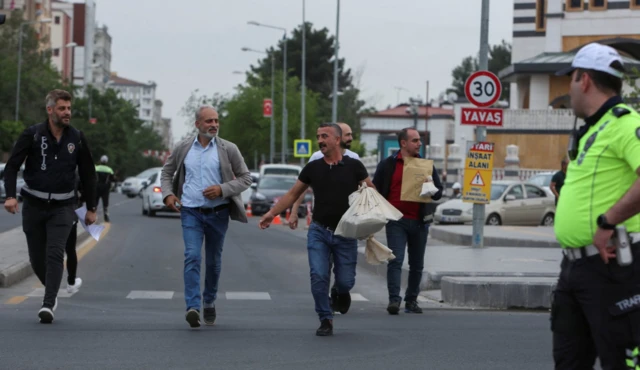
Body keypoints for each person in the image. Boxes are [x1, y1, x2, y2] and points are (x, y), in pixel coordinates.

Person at [551, 43, 640, 369]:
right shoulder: (592, 129)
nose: (569, 88)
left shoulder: (625, 124)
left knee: (623, 362)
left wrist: (607, 222)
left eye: (571, 79)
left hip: (613, 267)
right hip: (575, 269)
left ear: (584, 80)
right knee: (569, 362)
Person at [258, 123, 375, 337]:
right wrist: (271, 213)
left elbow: (371, 192)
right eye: (318, 136)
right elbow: (293, 194)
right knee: (318, 275)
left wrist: (372, 218)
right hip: (319, 231)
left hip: (346, 233)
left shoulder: (354, 166)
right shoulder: (313, 168)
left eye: (325, 136)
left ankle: (341, 292)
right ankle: (325, 318)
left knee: (345, 281)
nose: (320, 140)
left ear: (337, 140)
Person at [3, 89, 97, 324]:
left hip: (63, 206)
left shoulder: (76, 137)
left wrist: (92, 208)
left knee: (55, 253)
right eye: (62, 108)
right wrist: (11, 196)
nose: (67, 113)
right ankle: (52, 289)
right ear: (50, 110)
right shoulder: (33, 134)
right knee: (36, 259)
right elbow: (12, 166)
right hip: (33, 205)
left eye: (69, 108)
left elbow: (88, 174)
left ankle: (48, 302)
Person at [161, 105, 252, 329]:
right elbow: (166, 172)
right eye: (209, 121)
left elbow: (245, 178)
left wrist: (222, 189)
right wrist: (168, 195)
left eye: (216, 121)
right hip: (190, 211)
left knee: (212, 262)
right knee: (192, 256)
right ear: (198, 124)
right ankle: (193, 307)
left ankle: (209, 300)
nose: (214, 125)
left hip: (217, 213)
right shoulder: (184, 148)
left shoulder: (228, 148)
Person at [288, 122, 362, 314]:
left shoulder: (354, 160)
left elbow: (366, 191)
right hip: (320, 225)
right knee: (320, 271)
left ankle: (340, 290)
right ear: (338, 137)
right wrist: (295, 211)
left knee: (345, 278)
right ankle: (324, 312)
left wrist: (368, 222)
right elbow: (301, 188)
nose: (350, 138)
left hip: (346, 227)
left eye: (350, 134)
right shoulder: (316, 160)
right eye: (347, 134)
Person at [372, 127, 443, 315]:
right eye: (415, 140)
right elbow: (375, 190)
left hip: (420, 222)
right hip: (396, 220)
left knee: (417, 264)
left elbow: (439, 193)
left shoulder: (425, 166)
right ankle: (394, 300)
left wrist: (431, 186)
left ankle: (411, 300)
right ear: (403, 143)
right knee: (395, 260)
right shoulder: (387, 165)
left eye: (420, 140)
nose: (419, 143)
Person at [64, 172, 83, 294]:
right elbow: (84, 192)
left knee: (52, 250)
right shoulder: (74, 175)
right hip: (69, 213)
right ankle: (71, 282)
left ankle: (48, 283)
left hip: (49, 214)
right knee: (70, 249)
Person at [95, 155, 114, 222]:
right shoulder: (109, 170)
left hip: (97, 187)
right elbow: (112, 179)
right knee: (105, 203)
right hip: (105, 188)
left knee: (95, 202)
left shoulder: (96, 168)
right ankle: (106, 217)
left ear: (100, 161)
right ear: (106, 162)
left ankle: (94, 216)